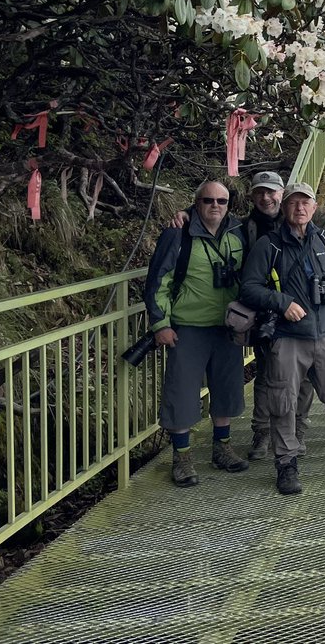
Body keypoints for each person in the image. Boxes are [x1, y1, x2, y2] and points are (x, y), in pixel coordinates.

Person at [170, 170, 325, 460]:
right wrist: (187, 214)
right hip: (268, 318)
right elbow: (212, 213)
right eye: (260, 192)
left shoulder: (318, 231)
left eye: (272, 191)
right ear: (253, 196)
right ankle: (264, 434)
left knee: (308, 382)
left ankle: (299, 433)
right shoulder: (243, 227)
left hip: (317, 324)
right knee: (270, 377)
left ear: (284, 195)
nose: (266, 197)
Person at [239, 182, 325, 495]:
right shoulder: (269, 245)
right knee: (283, 401)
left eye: (306, 202)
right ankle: (286, 463)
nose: (300, 208)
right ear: (284, 207)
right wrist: (282, 302)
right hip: (288, 337)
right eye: (293, 202)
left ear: (315, 208)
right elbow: (248, 288)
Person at [144, 179, 249, 486]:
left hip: (228, 326)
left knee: (226, 389)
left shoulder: (238, 231)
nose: (215, 206)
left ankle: (222, 448)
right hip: (188, 326)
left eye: (221, 201)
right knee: (181, 392)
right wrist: (161, 323)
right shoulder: (179, 233)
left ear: (229, 204)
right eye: (208, 200)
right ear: (196, 203)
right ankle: (182, 458)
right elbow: (158, 281)